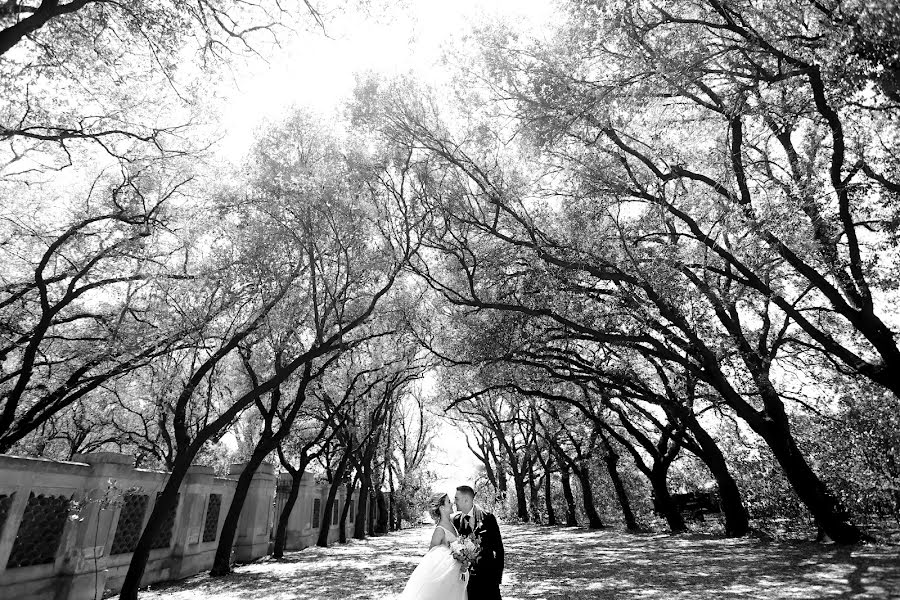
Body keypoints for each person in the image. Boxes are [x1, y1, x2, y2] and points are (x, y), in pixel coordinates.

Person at [398, 492, 468, 600]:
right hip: (446, 577)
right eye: (448, 502)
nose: (452, 503)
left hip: (456, 575)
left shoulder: (452, 524)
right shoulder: (439, 530)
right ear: (441, 508)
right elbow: (431, 556)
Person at [452, 485, 504, 600]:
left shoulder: (488, 518)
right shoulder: (455, 521)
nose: (454, 502)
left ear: (466, 500)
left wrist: (497, 577)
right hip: (466, 581)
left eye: (456, 498)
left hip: (488, 579)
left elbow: (499, 550)